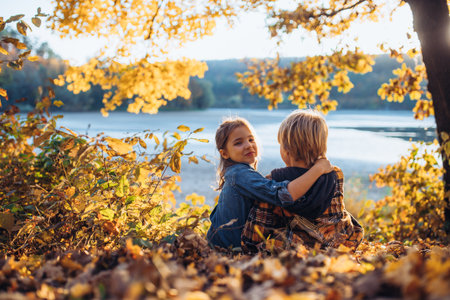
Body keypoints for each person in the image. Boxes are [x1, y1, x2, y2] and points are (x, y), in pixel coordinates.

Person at [241, 110, 364, 253]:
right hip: (339, 243)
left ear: (286, 151)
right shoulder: (335, 174)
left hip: (298, 247)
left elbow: (258, 228)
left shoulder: (274, 181)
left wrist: (247, 245)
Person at [206, 117, 333, 250]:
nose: (248, 145)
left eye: (251, 139)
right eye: (238, 143)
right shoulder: (239, 174)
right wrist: (318, 169)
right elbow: (284, 195)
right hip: (226, 249)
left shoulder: (240, 172)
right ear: (225, 153)